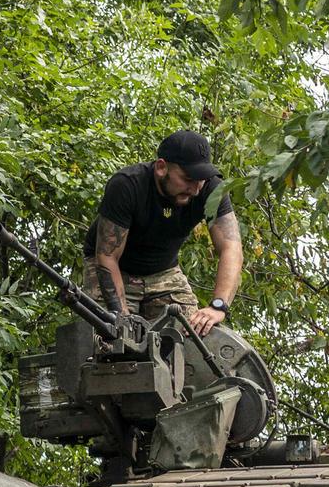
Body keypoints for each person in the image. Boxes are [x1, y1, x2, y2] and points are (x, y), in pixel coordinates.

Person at [81, 130, 243, 337]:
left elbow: (232, 248)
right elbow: (107, 256)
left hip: (164, 272)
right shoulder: (127, 185)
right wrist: (122, 319)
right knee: (113, 341)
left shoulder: (212, 190)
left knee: (196, 335)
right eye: (187, 179)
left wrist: (218, 306)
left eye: (200, 180)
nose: (194, 189)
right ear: (161, 167)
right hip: (115, 268)